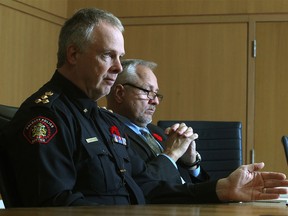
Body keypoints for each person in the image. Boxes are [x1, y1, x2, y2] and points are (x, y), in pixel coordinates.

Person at [1, 8, 288, 207]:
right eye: (107, 55)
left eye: (120, 57)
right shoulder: (45, 117)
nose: (117, 68)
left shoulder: (101, 119)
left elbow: (142, 186)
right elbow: (52, 206)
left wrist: (220, 189)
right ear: (73, 54)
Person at [106, 59, 209, 184]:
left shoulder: (159, 132)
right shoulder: (110, 135)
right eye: (147, 92)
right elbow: (144, 186)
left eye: (156, 93)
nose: (155, 101)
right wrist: (171, 154)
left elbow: (196, 188)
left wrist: (191, 163)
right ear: (120, 93)